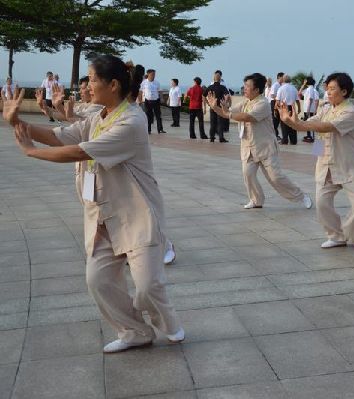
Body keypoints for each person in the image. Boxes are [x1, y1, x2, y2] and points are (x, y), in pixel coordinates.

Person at [2, 54, 184, 353]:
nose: (87, 85)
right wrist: (17, 122)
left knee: (148, 285)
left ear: (113, 85)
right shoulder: (98, 118)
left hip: (136, 214)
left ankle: (168, 322)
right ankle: (135, 332)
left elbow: (76, 152)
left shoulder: (132, 120)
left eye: (93, 80)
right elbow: (58, 136)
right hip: (103, 214)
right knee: (98, 280)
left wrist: (30, 152)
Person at [279, 72, 354, 250]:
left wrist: (300, 125)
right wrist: (292, 122)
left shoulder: (351, 112)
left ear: (344, 91)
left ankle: (353, 234)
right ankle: (336, 236)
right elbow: (314, 123)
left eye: (332, 88)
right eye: (327, 88)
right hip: (326, 165)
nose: (328, 92)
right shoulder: (326, 108)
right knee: (321, 204)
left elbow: (327, 127)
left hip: (348, 165)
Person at [207, 72, 313, 210]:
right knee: (248, 174)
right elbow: (227, 114)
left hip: (265, 148)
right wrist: (215, 107)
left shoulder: (263, 104)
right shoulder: (246, 102)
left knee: (275, 178)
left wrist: (227, 112)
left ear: (257, 90)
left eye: (247, 86)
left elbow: (247, 117)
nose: (244, 88)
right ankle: (256, 200)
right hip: (248, 147)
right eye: (244, 85)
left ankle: (301, 196)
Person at [203, 70, 229, 143]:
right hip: (220, 108)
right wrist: (225, 103)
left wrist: (208, 103)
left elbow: (203, 95)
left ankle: (212, 137)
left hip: (212, 107)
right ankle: (221, 138)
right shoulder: (222, 87)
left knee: (212, 123)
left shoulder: (210, 87)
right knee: (220, 123)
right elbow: (227, 95)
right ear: (220, 79)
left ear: (213, 79)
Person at [139, 68, 166, 134]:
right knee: (148, 115)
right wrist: (140, 100)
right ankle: (148, 130)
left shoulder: (157, 82)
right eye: (152, 74)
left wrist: (161, 98)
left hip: (156, 100)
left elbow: (160, 91)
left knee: (158, 115)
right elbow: (140, 92)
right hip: (147, 101)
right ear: (148, 74)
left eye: (154, 74)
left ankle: (160, 129)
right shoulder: (144, 82)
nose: (153, 75)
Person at [276, 74, 300, 145]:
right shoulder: (294, 88)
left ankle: (285, 140)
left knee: (284, 124)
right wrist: (299, 108)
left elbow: (277, 101)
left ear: (283, 80)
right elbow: (297, 100)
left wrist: (277, 109)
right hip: (292, 107)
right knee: (292, 123)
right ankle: (293, 140)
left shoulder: (281, 88)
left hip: (284, 107)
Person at [298, 77, 320, 142]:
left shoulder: (311, 89)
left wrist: (308, 110)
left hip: (309, 110)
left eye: (305, 80)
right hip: (308, 109)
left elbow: (312, 99)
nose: (304, 81)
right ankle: (309, 135)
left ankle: (311, 137)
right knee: (307, 123)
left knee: (310, 123)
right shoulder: (309, 89)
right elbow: (299, 93)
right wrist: (303, 85)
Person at [270, 72, 284, 139]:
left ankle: (276, 134)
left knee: (278, 120)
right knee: (275, 119)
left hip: (279, 103)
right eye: (283, 77)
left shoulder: (281, 85)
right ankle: (274, 135)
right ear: (279, 77)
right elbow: (272, 95)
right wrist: (278, 100)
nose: (283, 79)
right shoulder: (275, 85)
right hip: (274, 102)